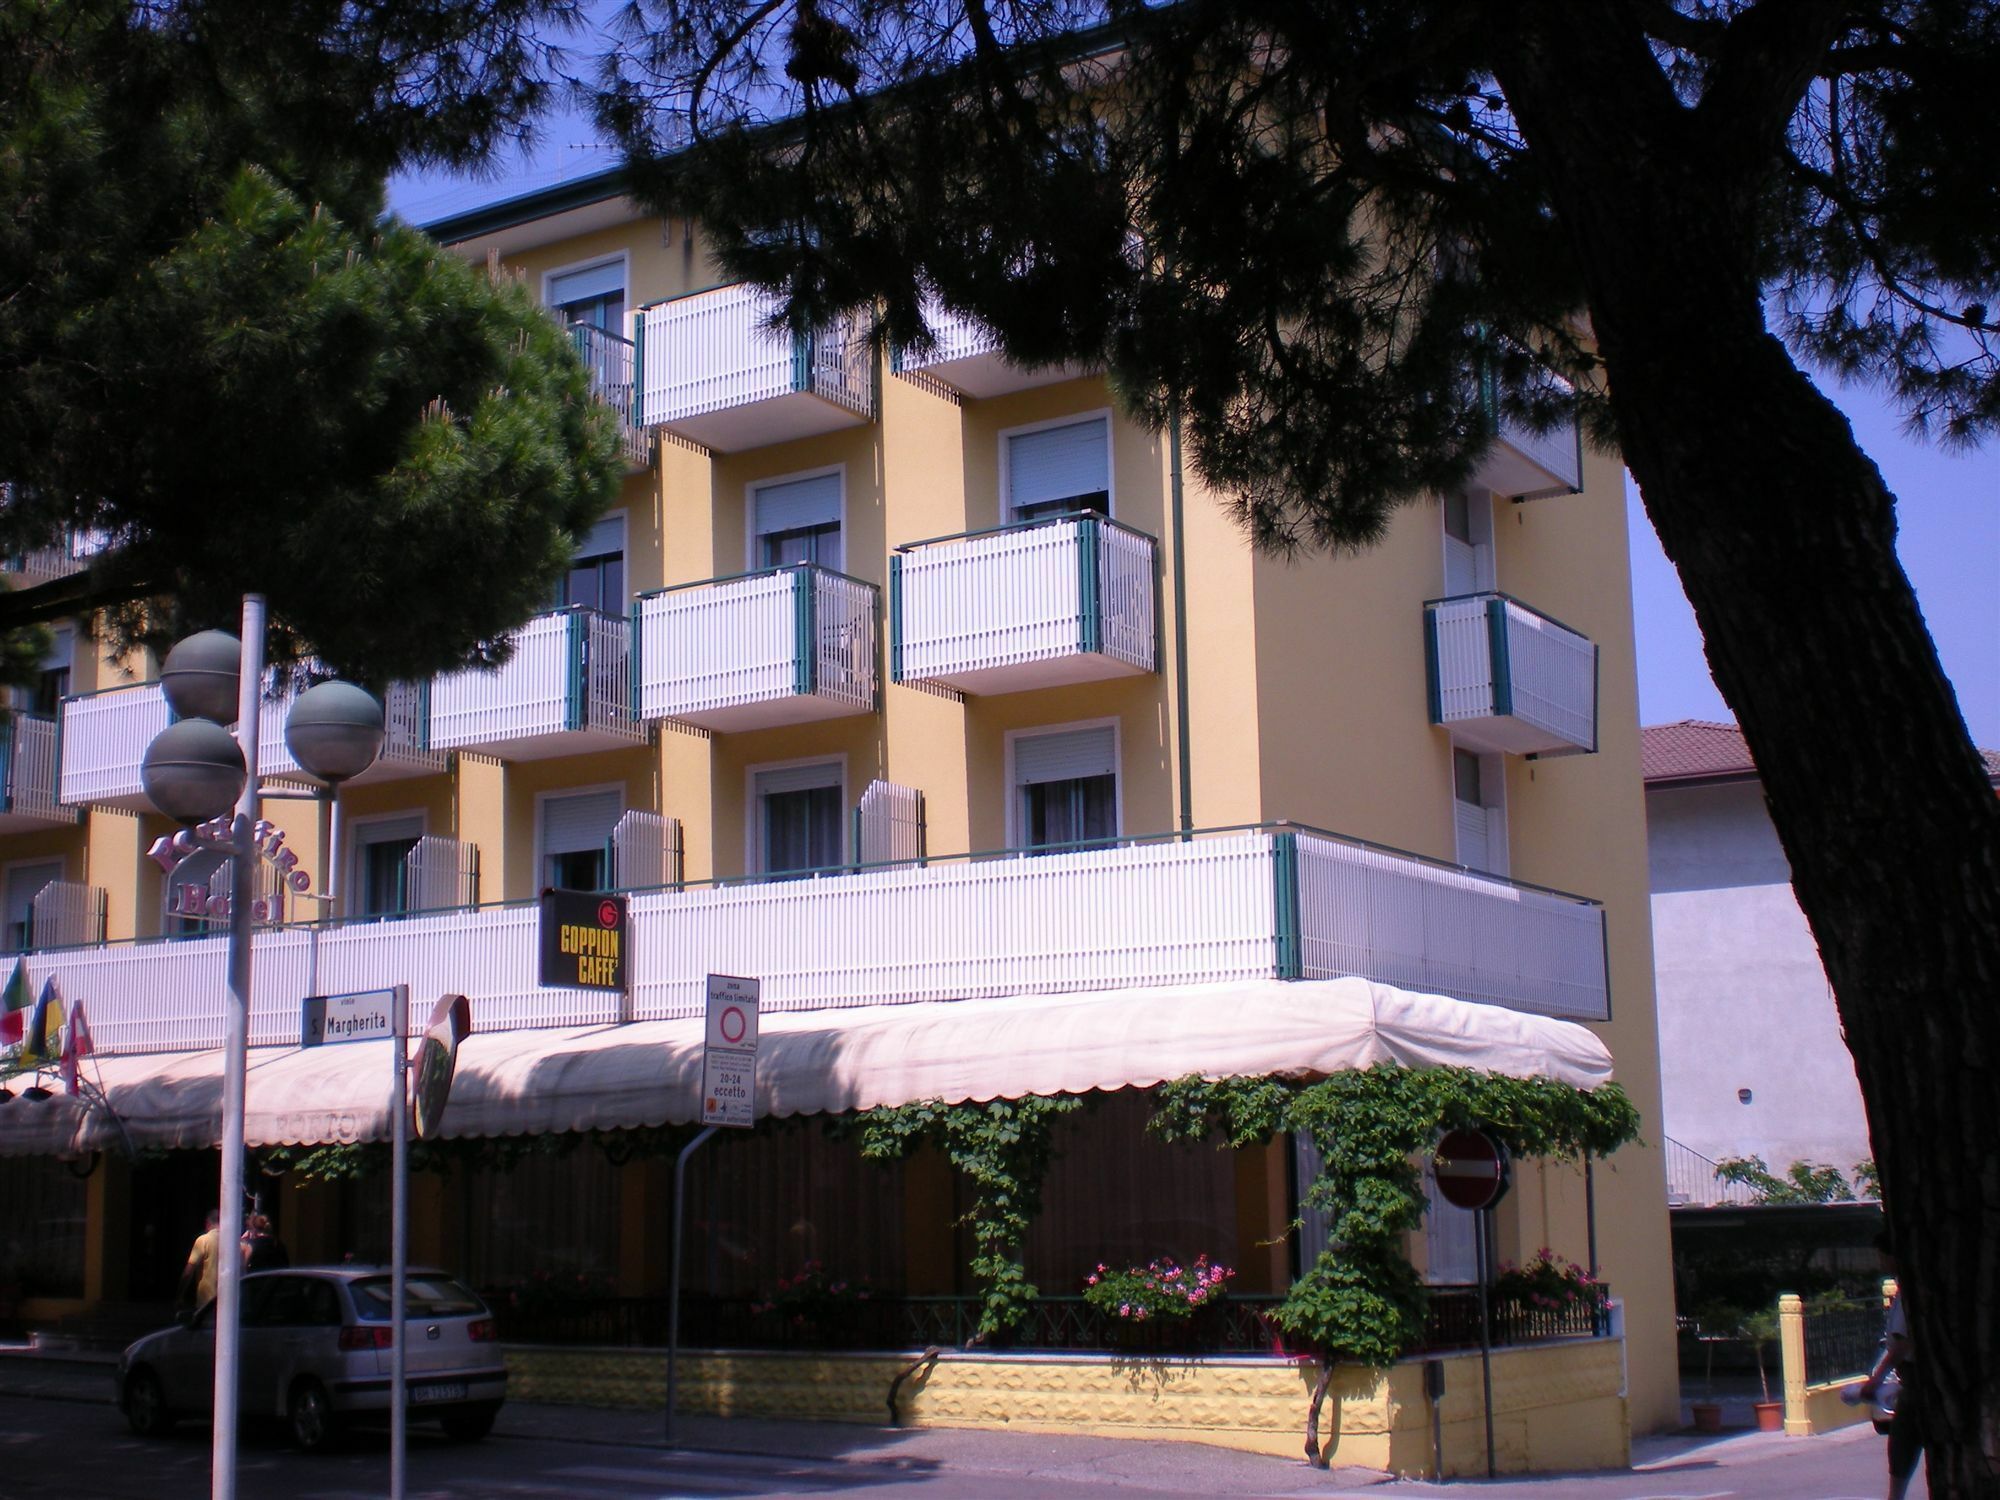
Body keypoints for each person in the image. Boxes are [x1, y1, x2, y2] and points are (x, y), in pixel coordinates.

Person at [1859, 1231, 1921, 1500]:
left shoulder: (1910, 1293)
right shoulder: (1902, 1291)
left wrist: (1877, 1378)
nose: (1880, 1262)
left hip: (1918, 1380)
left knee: (1903, 1443)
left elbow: (1902, 1344)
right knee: (1901, 1444)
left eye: (1882, 1255)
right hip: (1910, 1380)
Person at [174, 1210, 222, 1318]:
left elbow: (188, 1272)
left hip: (207, 1304)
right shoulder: (234, 1242)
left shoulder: (204, 1240)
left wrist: (180, 1296)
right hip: (229, 1303)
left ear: (207, 1223)